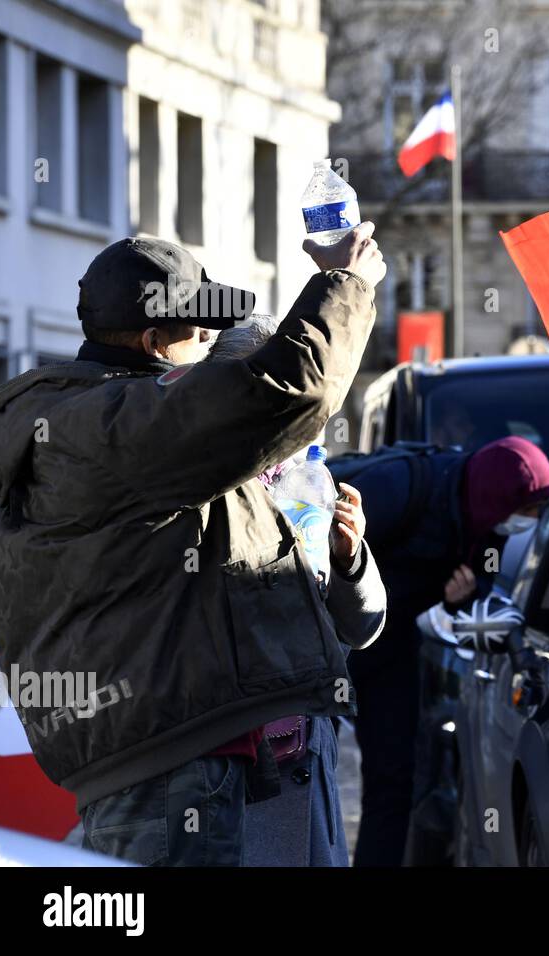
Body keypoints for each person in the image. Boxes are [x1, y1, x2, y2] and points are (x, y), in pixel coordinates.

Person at [0, 225, 385, 865]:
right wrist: (347, 284)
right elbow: (285, 389)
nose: (208, 353)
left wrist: (341, 559)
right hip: (169, 772)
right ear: (153, 342)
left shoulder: (95, 421)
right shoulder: (116, 425)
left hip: (173, 762)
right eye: (199, 336)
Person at [208, 315, 388, 866]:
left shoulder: (308, 478)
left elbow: (363, 627)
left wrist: (349, 556)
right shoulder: (191, 480)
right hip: (218, 760)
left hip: (301, 752)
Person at [329, 435, 549, 866]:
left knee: (395, 779)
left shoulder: (487, 520)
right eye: (528, 510)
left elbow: (478, 585)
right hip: (329, 640)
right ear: (498, 493)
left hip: (388, 645)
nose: (529, 521)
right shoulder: (406, 487)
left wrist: (460, 599)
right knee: (306, 769)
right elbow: (325, 543)